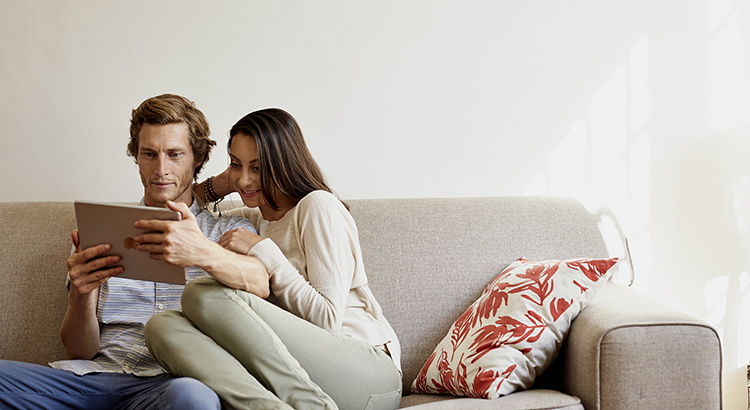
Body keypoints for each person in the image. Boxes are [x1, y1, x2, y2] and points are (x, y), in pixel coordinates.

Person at [0, 94, 269, 410]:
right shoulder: (102, 229)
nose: (161, 169)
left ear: (197, 158)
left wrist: (202, 252)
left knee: (192, 398)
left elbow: (261, 281)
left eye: (174, 154)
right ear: (136, 156)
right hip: (96, 378)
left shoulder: (226, 232)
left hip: (172, 384)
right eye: (149, 154)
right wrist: (82, 294)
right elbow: (78, 352)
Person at [145, 108, 403, 410]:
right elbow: (189, 201)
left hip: (366, 373)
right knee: (161, 327)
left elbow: (327, 319)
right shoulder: (253, 217)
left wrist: (263, 250)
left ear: (284, 163)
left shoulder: (317, 206)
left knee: (202, 294)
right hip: (305, 376)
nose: (244, 179)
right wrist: (232, 181)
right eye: (236, 165)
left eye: (258, 167)